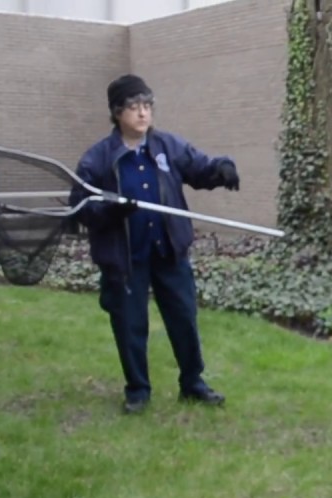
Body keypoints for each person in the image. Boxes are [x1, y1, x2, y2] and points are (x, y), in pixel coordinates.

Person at [70, 74, 240, 414]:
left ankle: (193, 383)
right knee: (131, 326)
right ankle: (137, 391)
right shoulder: (98, 159)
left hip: (169, 252)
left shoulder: (168, 147)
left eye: (147, 106)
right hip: (125, 258)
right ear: (118, 113)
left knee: (184, 319)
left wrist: (220, 169)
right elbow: (80, 207)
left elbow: (199, 167)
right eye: (134, 107)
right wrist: (111, 211)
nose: (143, 114)